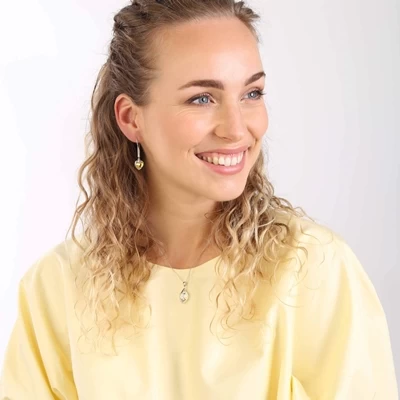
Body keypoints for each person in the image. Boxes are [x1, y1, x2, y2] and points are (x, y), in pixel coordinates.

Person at [0, 0, 398, 398]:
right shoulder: (58, 287)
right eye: (202, 98)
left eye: (252, 93)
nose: (237, 129)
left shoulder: (314, 271)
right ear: (131, 118)